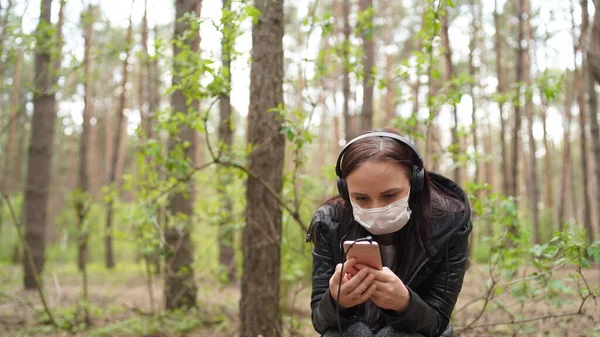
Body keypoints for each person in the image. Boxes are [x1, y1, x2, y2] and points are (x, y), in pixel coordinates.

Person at [306, 129, 472, 337]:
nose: (376, 208)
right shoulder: (329, 223)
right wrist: (336, 301)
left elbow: (437, 323)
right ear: (344, 191)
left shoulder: (450, 224)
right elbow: (320, 322)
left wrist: (406, 303)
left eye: (390, 195)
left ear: (415, 182)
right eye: (361, 198)